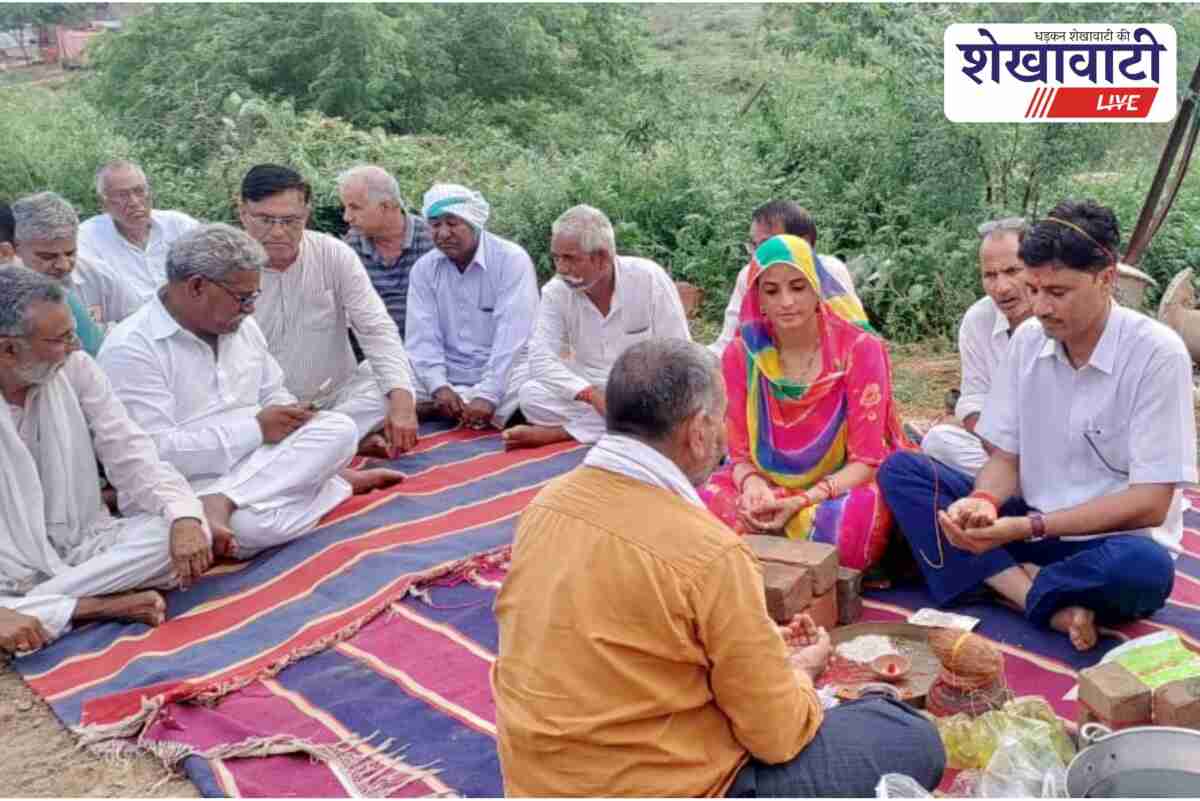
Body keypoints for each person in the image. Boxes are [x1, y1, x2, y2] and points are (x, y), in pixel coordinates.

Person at [493, 338, 944, 797]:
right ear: (698, 431)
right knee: (907, 736)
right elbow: (777, 735)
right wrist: (799, 674)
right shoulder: (710, 552)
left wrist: (759, 649)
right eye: (723, 419)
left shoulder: (543, 506)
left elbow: (631, 643)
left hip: (537, 783)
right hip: (669, 788)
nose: (726, 437)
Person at [878, 200, 1194, 652]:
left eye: (1058, 293)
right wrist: (984, 501)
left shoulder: (1156, 354)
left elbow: (1150, 504)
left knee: (1145, 570)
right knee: (902, 472)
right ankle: (1037, 596)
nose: (1040, 307)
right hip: (1032, 526)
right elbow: (1006, 456)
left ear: (1106, 278)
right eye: (1035, 288)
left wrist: (1027, 529)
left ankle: (1000, 578)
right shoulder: (1029, 340)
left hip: (1108, 545)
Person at [98, 224, 403, 561]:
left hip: (261, 462)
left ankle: (231, 498)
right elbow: (153, 454)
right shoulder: (132, 349)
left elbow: (274, 392)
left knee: (339, 428)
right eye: (243, 298)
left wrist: (292, 415)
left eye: (254, 297)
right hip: (187, 487)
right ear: (197, 286)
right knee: (251, 529)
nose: (250, 309)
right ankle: (333, 486)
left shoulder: (240, 326)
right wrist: (255, 430)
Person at [0, 267, 211, 650]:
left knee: (182, 531)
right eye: (61, 339)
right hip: (5, 567)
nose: (77, 345)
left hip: (82, 544)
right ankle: (89, 606)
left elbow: (130, 451)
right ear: (8, 349)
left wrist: (181, 514)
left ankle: (34, 609)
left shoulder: (75, 368)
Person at [699, 235, 910, 572]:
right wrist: (754, 486)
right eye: (772, 291)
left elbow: (868, 460)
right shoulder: (741, 355)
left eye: (798, 287)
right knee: (705, 503)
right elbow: (738, 454)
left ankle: (760, 551)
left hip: (836, 489)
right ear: (758, 300)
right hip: (765, 485)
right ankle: (772, 540)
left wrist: (801, 500)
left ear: (817, 290)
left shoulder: (859, 349)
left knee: (851, 523)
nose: (786, 301)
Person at [238, 164, 418, 458]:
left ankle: (313, 446)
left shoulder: (333, 253)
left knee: (390, 383)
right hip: (262, 409)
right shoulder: (226, 267)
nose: (278, 232)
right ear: (243, 213)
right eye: (265, 220)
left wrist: (402, 404)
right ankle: (333, 444)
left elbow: (375, 329)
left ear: (306, 215)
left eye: (291, 221)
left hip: (335, 399)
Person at [504, 204, 690, 449]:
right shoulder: (556, 290)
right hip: (589, 386)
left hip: (643, 387)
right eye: (556, 258)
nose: (560, 268)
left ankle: (564, 432)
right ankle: (632, 430)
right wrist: (590, 394)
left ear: (602, 258)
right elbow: (540, 358)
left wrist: (632, 394)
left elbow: (680, 351)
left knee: (671, 403)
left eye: (569, 258)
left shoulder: (648, 278)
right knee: (530, 395)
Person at [405, 183, 537, 429]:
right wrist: (438, 386)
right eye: (435, 225)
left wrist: (488, 394)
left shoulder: (511, 260)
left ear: (474, 222)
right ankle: (457, 407)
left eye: (452, 223)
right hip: (447, 372)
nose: (443, 233)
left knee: (536, 384)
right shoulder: (424, 269)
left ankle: (445, 410)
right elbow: (422, 338)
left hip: (504, 374)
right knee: (378, 374)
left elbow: (513, 339)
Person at [921, 218, 1033, 476]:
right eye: (990, 275)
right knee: (938, 442)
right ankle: (1017, 484)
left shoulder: (1057, 317)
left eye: (1013, 271)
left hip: (1058, 447)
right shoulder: (978, 319)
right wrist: (1001, 455)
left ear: (1036, 267)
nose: (1001, 287)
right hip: (999, 445)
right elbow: (972, 400)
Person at [710, 200, 859, 357]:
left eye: (798, 287)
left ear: (804, 242)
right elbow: (727, 343)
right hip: (764, 366)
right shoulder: (749, 276)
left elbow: (851, 334)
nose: (757, 255)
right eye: (754, 246)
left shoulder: (829, 272)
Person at [12, 192, 137, 348]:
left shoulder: (97, 274)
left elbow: (138, 323)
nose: (63, 265)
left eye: (70, 253)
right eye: (47, 256)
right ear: (16, 248)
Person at [78, 159, 200, 304]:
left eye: (139, 191)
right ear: (104, 203)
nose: (134, 201)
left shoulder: (180, 226)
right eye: (122, 195)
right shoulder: (87, 238)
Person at [338, 164, 435, 338]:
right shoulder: (348, 249)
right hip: (370, 357)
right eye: (345, 207)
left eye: (355, 207)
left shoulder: (433, 241)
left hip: (428, 352)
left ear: (385, 206)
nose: (347, 217)